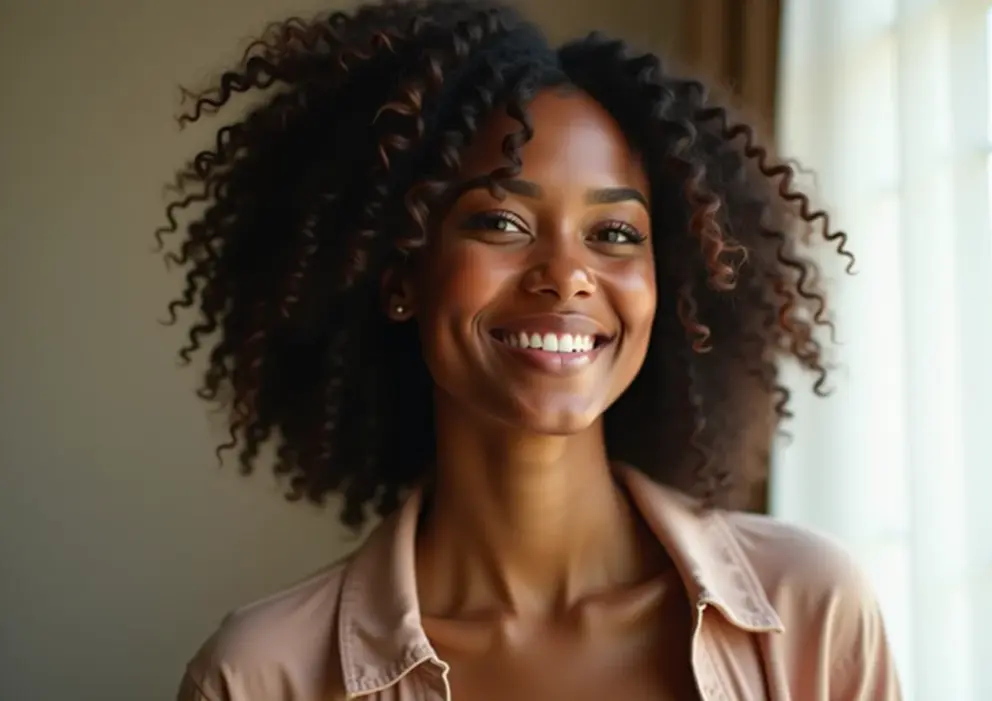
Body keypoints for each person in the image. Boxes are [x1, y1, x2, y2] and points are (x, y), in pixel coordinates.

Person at [159, 1, 900, 699]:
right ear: (400, 275)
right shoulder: (261, 677)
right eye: (502, 223)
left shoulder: (811, 609)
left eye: (614, 235)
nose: (567, 276)